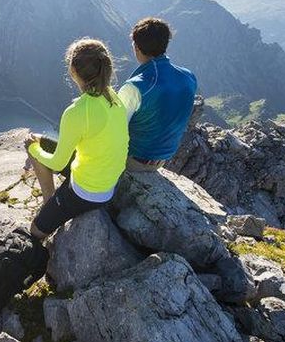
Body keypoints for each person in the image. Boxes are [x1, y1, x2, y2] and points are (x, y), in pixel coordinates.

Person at [24, 39, 129, 240]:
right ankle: (52, 205)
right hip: (108, 182)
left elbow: (58, 163)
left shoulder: (78, 112)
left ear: (73, 71)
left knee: (35, 231)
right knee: (41, 140)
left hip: (87, 192)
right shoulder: (114, 97)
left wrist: (33, 148)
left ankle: (51, 206)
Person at [117, 17, 197, 172]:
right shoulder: (189, 77)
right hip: (162, 159)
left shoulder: (136, 87)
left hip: (133, 159)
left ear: (136, 47)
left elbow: (115, 127)